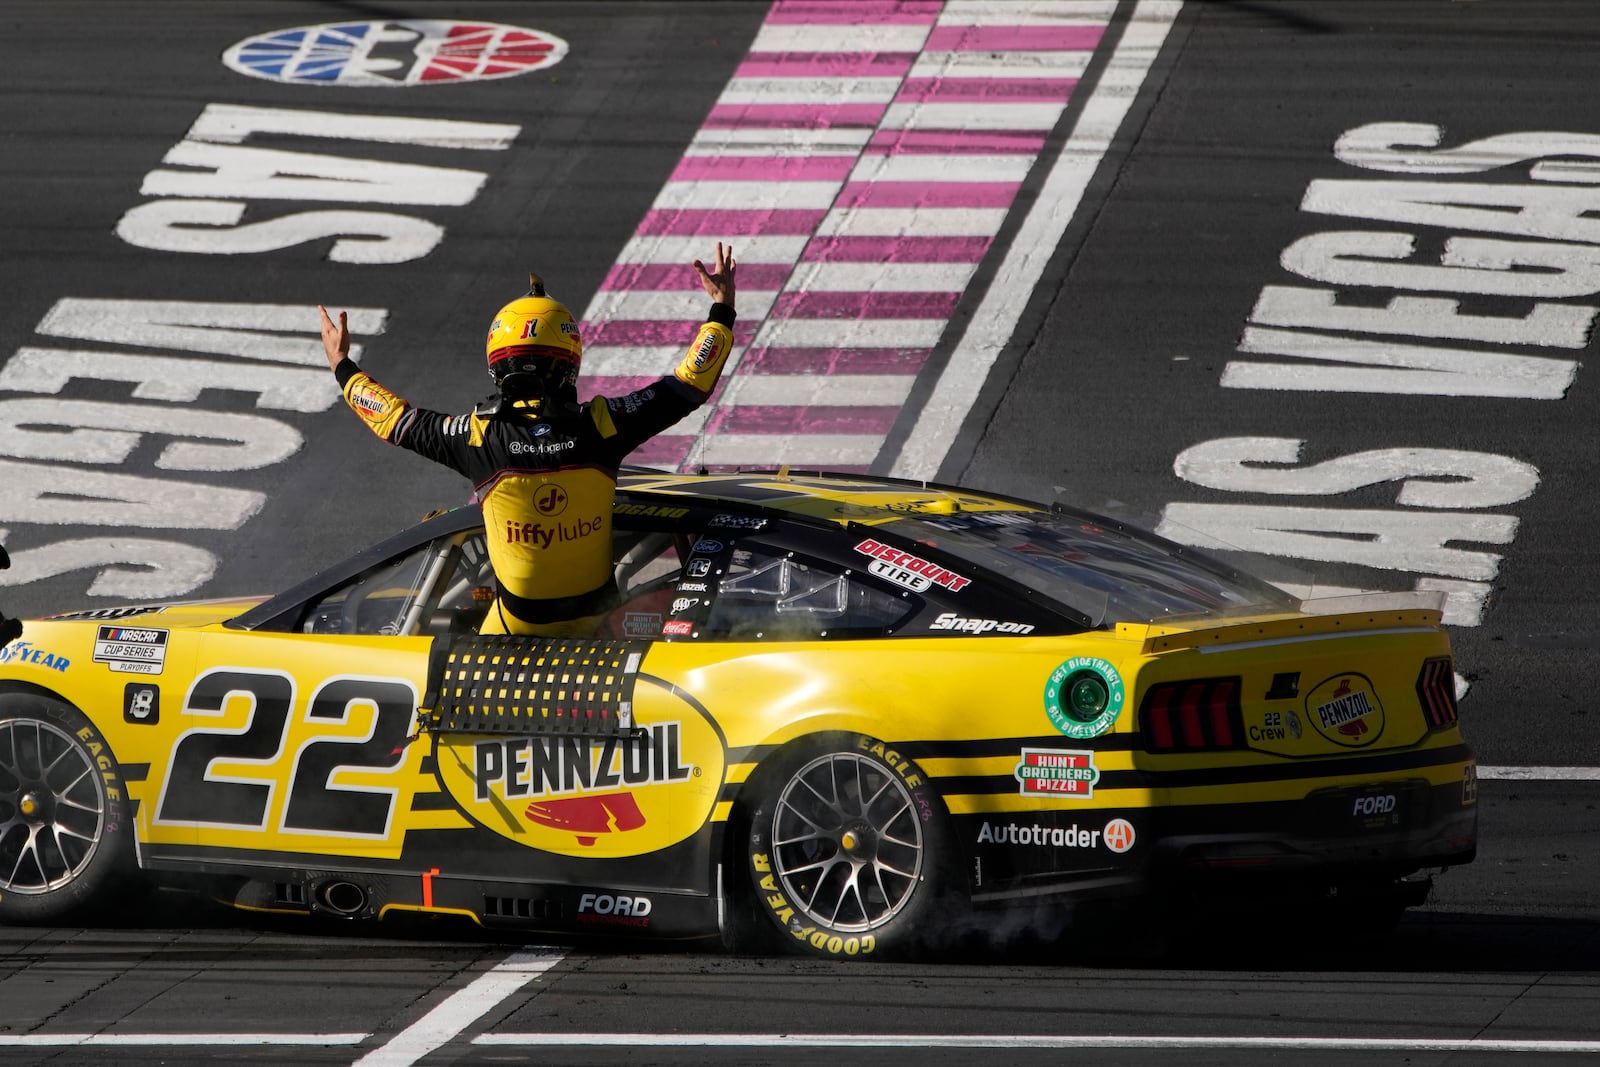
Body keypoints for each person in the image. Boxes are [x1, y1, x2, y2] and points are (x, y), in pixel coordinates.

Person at [318, 242, 736, 637]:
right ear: (570, 359)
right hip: (603, 632)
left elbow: (393, 419)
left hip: (511, 633)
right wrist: (721, 309)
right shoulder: (604, 425)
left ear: (497, 365)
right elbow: (690, 384)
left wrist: (342, 366)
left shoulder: (476, 437)